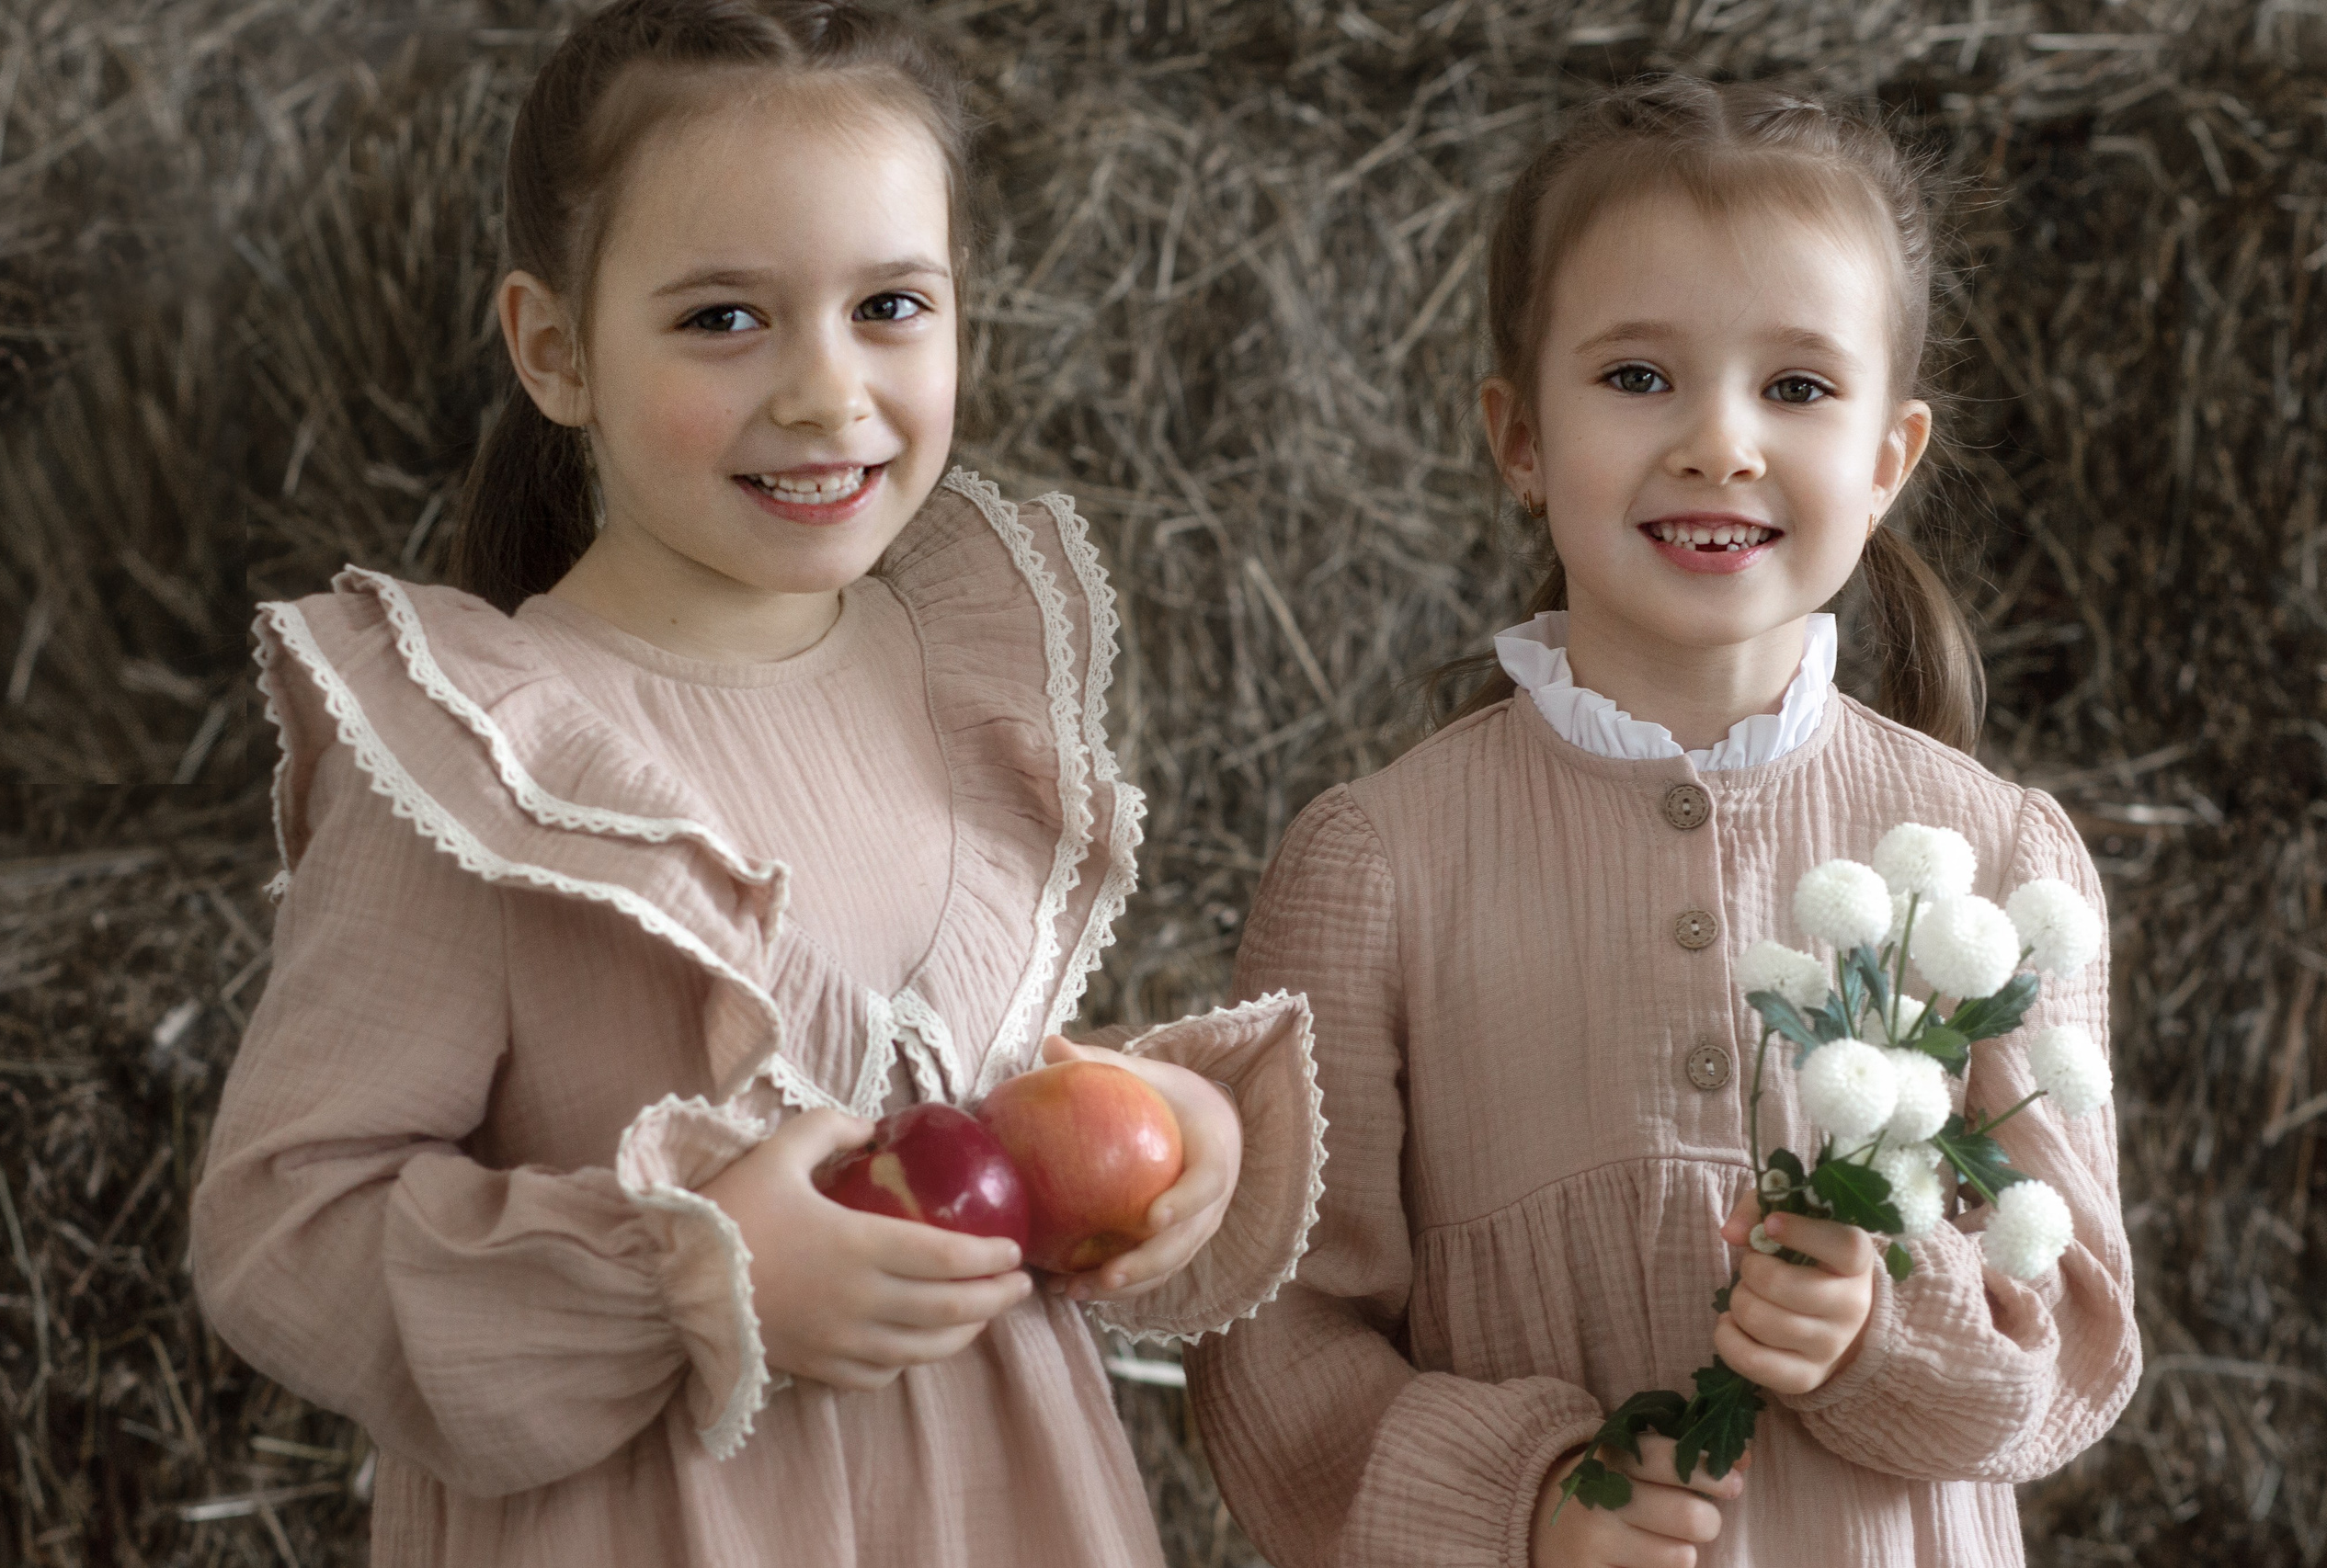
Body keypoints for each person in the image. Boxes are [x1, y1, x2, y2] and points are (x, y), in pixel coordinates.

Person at [189, 4, 1322, 1563]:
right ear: (556, 348)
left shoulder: (958, 686)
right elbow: (283, 1227)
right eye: (727, 319)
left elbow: (952, 1093)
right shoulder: (477, 758)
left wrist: (1154, 1128)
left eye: (890, 306)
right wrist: (690, 1272)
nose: (823, 392)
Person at [1185, 78, 2137, 1568]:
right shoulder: (1379, 864)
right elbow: (1276, 1342)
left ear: (1889, 461)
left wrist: (1886, 1322)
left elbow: (2076, 1339)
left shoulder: (2000, 861)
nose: (1719, 443)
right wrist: (1528, 1503)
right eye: (1638, 378)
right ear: (1518, 435)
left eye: (1799, 390)